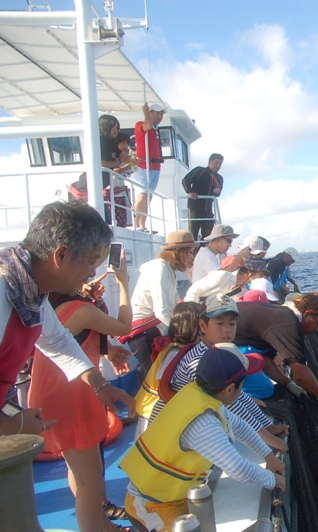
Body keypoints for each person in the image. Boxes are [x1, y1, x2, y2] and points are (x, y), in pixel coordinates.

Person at [0, 201, 134, 437]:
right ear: (61, 255)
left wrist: (100, 383)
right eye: (91, 261)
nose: (93, 272)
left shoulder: (31, 292)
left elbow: (57, 340)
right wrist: (12, 426)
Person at [120, 344, 286, 532]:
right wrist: (273, 480)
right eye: (242, 386)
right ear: (230, 389)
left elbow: (238, 425)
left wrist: (268, 457)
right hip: (152, 504)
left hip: (172, 495)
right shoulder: (203, 423)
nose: (242, 392)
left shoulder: (199, 394)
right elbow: (237, 468)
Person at [28, 250, 133, 532]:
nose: (90, 273)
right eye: (87, 266)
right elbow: (125, 327)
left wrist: (108, 350)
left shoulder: (59, 308)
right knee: (89, 480)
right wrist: (123, 283)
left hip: (56, 391)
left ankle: (103, 524)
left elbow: (80, 339)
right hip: (72, 394)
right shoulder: (83, 310)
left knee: (80, 469)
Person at [150, 294, 288, 453]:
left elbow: (238, 394)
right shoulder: (200, 362)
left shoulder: (218, 353)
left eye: (232, 323)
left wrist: (267, 425)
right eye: (220, 323)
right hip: (170, 433)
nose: (227, 330)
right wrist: (267, 438)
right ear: (202, 326)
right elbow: (233, 405)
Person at [233, 292, 318, 413]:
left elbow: (266, 360)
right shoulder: (289, 323)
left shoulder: (283, 314)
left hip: (238, 345)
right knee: (263, 390)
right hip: (220, 346)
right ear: (307, 314)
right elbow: (300, 373)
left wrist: (288, 384)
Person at [126, 230, 199, 376]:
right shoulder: (160, 268)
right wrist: (186, 334)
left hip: (151, 330)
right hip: (144, 332)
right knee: (155, 378)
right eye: (191, 252)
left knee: (158, 376)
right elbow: (161, 311)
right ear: (181, 252)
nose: (192, 257)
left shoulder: (167, 269)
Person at [134, 301, 203, 435]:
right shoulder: (174, 352)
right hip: (152, 413)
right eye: (202, 325)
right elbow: (165, 383)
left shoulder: (181, 349)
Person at [132, 103, 166, 232]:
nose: (160, 116)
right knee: (142, 195)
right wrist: (145, 112)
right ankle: (137, 224)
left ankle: (142, 224)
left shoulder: (155, 129)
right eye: (157, 113)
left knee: (148, 196)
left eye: (161, 114)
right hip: (143, 166)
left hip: (155, 166)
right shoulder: (140, 124)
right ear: (150, 113)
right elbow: (147, 126)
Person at [185, 257, 268, 303]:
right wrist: (193, 314)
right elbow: (193, 291)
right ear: (250, 272)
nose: (262, 278)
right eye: (260, 274)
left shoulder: (244, 291)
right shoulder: (222, 276)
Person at [182, 154, 225, 241]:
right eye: (216, 163)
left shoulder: (219, 178)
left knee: (208, 234)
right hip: (195, 207)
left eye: (219, 164)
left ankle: (203, 252)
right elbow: (186, 180)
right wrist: (190, 191)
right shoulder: (200, 170)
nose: (217, 166)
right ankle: (193, 253)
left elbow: (218, 193)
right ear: (210, 162)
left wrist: (217, 192)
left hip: (208, 209)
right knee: (193, 233)